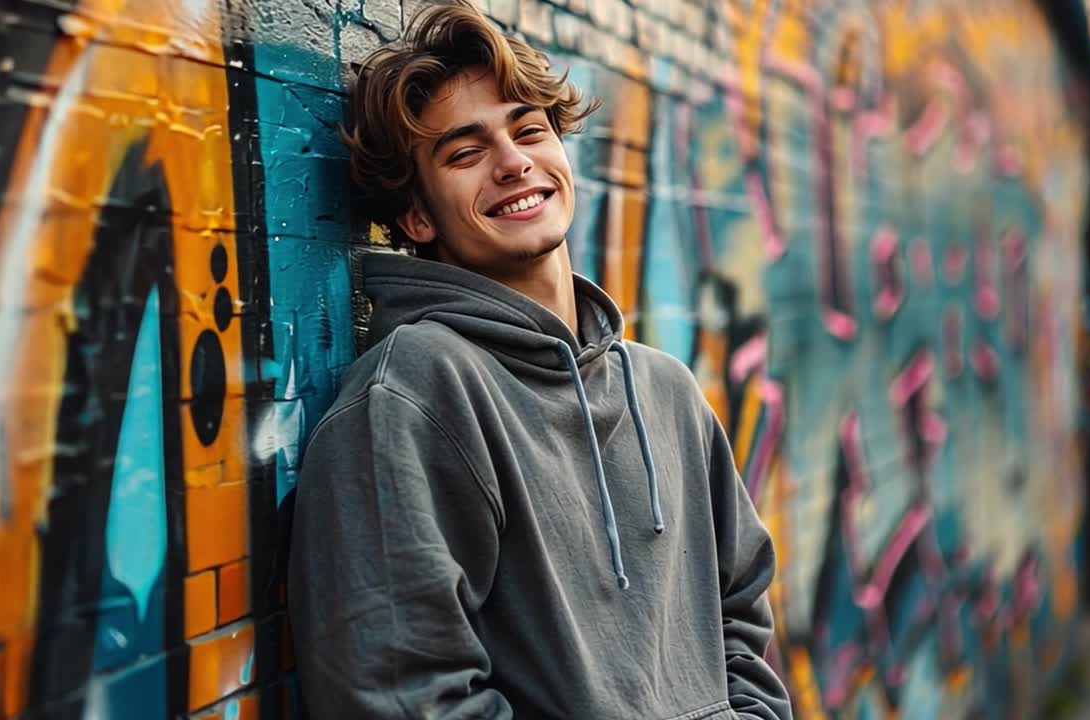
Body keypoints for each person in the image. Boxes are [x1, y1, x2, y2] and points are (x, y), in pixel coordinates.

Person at [287, 3, 793, 718]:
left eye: (529, 131)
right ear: (417, 217)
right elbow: (403, 697)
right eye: (465, 154)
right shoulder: (413, 394)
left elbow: (739, 614)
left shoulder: (666, 391)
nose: (513, 162)